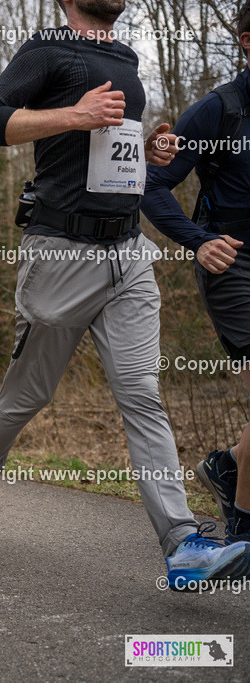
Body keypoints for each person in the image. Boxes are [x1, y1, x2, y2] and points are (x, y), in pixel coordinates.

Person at [0, 0, 250, 589]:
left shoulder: (126, 58)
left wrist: (150, 154)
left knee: (143, 395)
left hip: (127, 254)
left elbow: (106, 157)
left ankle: (182, 544)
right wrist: (72, 114)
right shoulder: (46, 49)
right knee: (27, 397)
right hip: (60, 254)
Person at [142, 1, 250, 544]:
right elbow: (152, 186)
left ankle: (229, 467)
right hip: (234, 260)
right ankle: (243, 531)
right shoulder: (216, 111)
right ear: (248, 41)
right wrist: (199, 241)